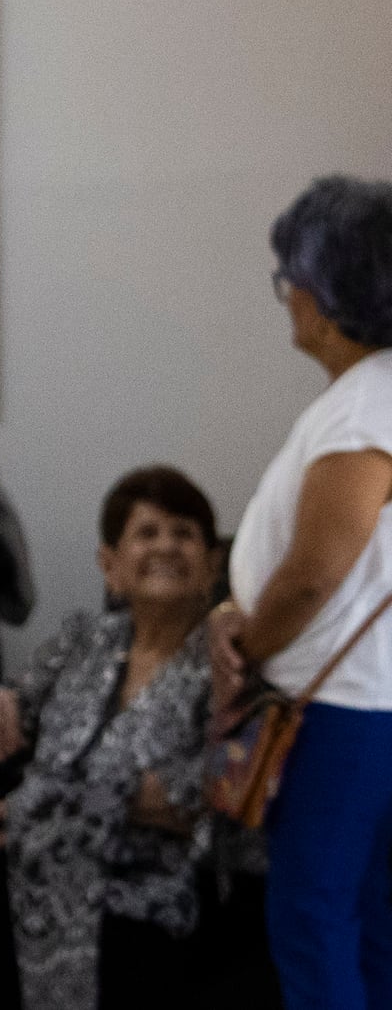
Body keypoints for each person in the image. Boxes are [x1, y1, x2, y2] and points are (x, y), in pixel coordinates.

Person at [211, 176, 392, 1010]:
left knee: (313, 918)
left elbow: (318, 568)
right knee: (362, 922)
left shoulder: (365, 407)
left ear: (319, 294)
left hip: (347, 715)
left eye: (288, 280)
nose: (286, 300)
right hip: (361, 707)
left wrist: (244, 644)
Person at [0, 466, 221, 1010]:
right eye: (147, 533)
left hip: (148, 895)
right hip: (40, 883)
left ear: (212, 566)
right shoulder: (83, 641)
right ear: (110, 566)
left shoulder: (226, 666)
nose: (166, 546)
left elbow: (195, 794)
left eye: (184, 533)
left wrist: (49, 802)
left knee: (119, 957)